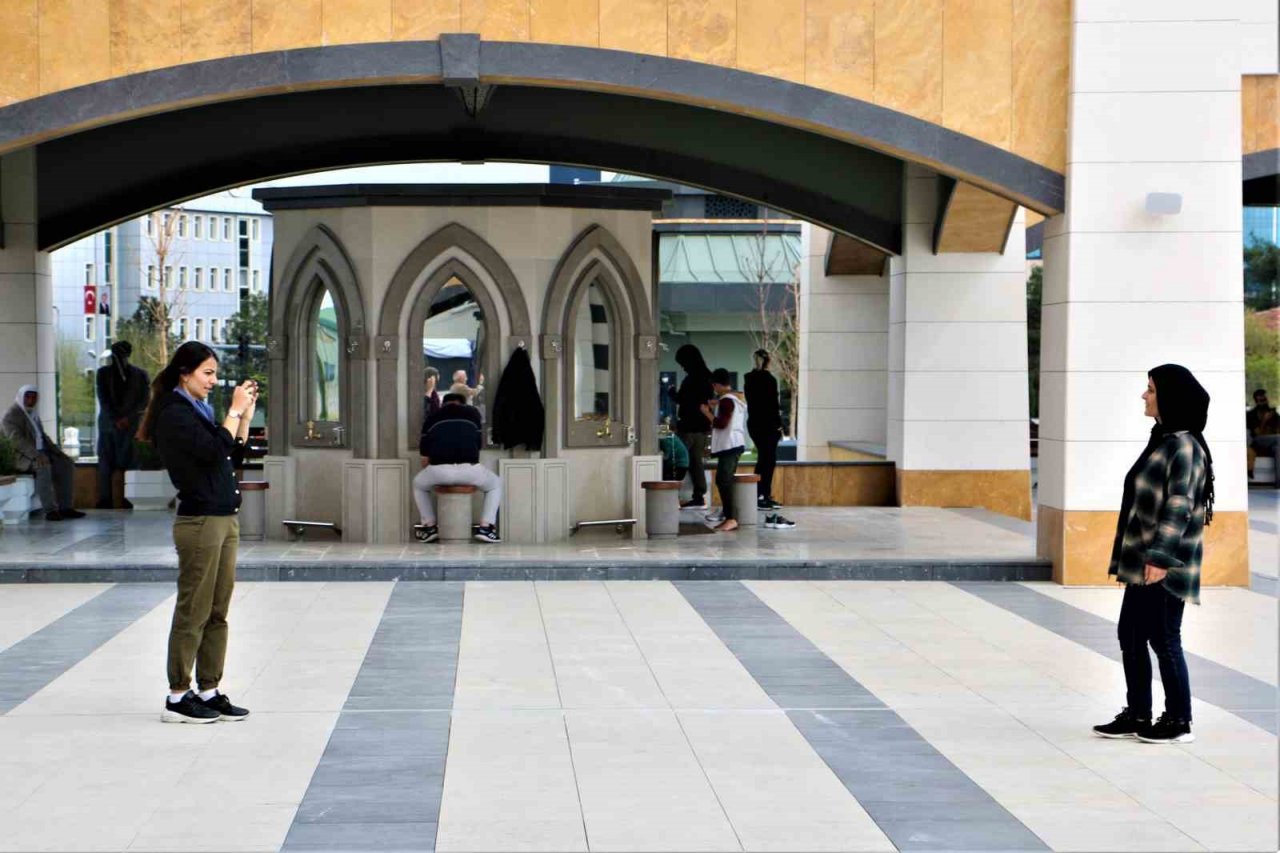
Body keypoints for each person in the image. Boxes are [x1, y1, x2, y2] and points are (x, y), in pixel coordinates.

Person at [1093, 364, 1214, 745]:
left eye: (1150, 389)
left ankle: (1179, 720)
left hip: (1164, 562)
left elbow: (1178, 506)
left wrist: (1160, 559)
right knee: (1130, 634)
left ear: (1170, 397)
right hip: (1144, 559)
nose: (1144, 396)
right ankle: (1138, 713)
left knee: (1163, 638)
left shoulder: (1184, 447)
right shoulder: (1164, 439)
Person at [138, 341, 257, 724]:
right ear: (184, 373)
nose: (213, 380)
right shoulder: (174, 413)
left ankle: (208, 689)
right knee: (194, 609)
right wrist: (233, 411)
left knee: (218, 610)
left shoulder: (200, 411)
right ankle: (177, 695)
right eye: (207, 373)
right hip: (200, 521)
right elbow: (209, 452)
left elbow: (229, 456)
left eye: (215, 373)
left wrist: (244, 417)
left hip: (224, 518)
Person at [412, 391, 502, 543]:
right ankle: (486, 527)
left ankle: (429, 527)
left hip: (439, 470)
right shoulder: (473, 414)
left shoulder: (432, 417)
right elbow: (477, 446)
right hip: (470, 469)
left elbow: (424, 457)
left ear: (443, 404)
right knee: (495, 484)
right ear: (463, 403)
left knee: (419, 484)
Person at [1, 385, 84, 521]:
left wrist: (60, 453)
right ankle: (50, 510)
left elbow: (42, 437)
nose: (31, 400)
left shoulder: (32, 413)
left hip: (40, 452)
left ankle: (65, 507)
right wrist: (36, 455)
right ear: (21, 396)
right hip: (22, 456)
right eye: (28, 396)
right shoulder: (11, 415)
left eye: (34, 397)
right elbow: (16, 441)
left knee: (65, 464)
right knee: (43, 466)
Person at [96, 340, 150, 509]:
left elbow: (144, 400)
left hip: (131, 427)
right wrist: (115, 419)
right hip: (108, 427)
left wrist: (128, 418)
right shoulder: (103, 374)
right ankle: (105, 500)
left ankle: (130, 499)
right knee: (105, 463)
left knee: (132, 463)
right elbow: (103, 398)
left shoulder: (140, 375)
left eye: (122, 355)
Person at [672, 344, 715, 509]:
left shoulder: (691, 379)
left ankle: (670, 494)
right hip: (703, 428)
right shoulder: (708, 376)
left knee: (679, 461)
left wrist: (671, 393)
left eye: (682, 363)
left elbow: (684, 400)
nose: (682, 367)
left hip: (688, 427)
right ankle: (699, 494)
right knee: (696, 462)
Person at [707, 369, 747, 533]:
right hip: (735, 444)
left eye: (714, 386)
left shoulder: (726, 401)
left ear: (716, 385)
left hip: (730, 445)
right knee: (724, 480)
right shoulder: (733, 399)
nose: (714, 390)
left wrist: (706, 413)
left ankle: (731, 518)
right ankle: (728, 516)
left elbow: (721, 424)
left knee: (723, 480)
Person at [744, 349, 783, 511]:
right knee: (768, 461)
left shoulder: (749, 379)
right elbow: (773, 405)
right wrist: (779, 425)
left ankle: (761, 495)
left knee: (763, 460)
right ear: (768, 362)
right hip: (768, 425)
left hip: (754, 424)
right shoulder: (770, 380)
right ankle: (763, 496)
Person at [1246, 388, 1278, 485]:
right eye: (1261, 401)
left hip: (1273, 442)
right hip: (1258, 442)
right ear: (1257, 402)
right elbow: (1258, 433)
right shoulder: (1251, 415)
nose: (1264, 402)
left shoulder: (1274, 414)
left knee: (1278, 448)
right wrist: (1264, 421)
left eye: (1265, 400)